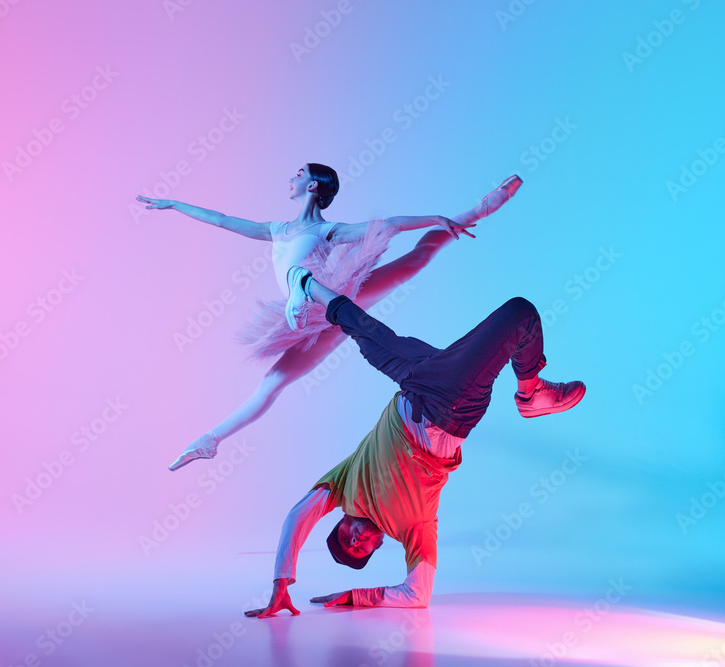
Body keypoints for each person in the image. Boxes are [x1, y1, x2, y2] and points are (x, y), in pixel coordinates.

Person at [136, 164, 522, 470]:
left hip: (339, 291)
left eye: (298, 174)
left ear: (314, 186)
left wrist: (435, 217)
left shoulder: (327, 230)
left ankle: (477, 210)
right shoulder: (276, 229)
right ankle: (211, 441)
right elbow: (221, 219)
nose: (291, 178)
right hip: (317, 319)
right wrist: (174, 205)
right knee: (271, 384)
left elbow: (385, 226)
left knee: (415, 261)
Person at [245, 272, 585, 617]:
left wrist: (281, 581)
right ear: (378, 545)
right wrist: (356, 597)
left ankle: (304, 283)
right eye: (359, 551)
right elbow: (418, 595)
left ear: (342, 517)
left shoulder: (344, 484)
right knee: (520, 315)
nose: (354, 541)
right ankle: (531, 393)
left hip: (412, 378)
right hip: (448, 405)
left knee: (364, 331)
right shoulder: (413, 529)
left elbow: (298, 515)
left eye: (344, 536)